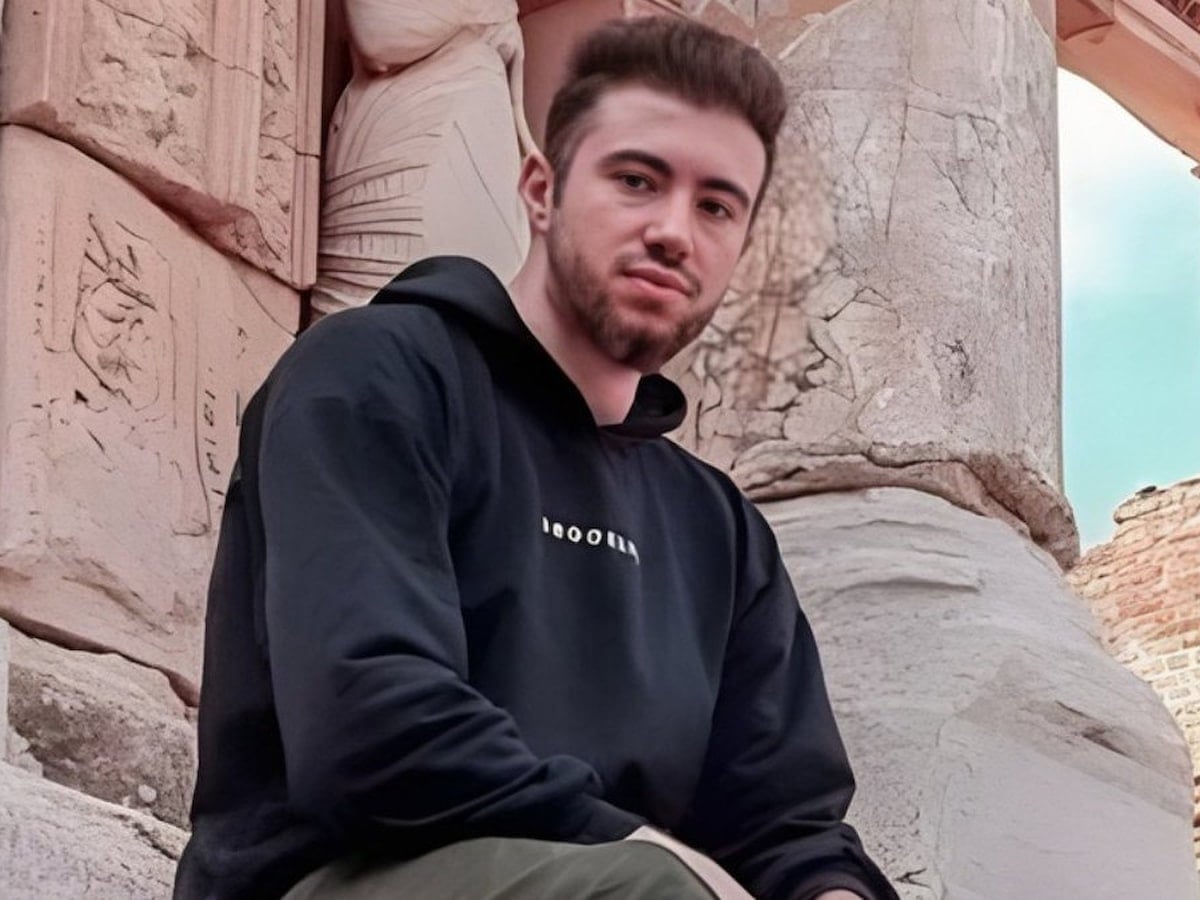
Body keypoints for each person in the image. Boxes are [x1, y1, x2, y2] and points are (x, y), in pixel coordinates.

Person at [175, 16, 897, 900]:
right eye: (637, 181)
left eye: (716, 206)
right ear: (541, 190)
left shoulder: (719, 528)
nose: (674, 231)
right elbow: (374, 731)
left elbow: (788, 823)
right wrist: (657, 857)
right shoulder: (375, 376)